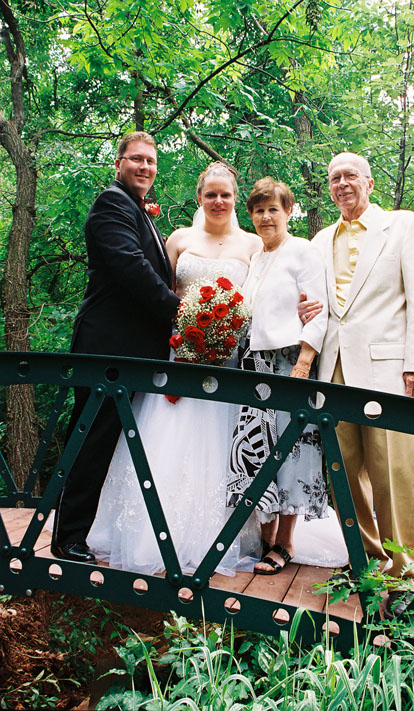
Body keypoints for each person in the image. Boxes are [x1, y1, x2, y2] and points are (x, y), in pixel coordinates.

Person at [87, 162, 263, 576]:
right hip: (176, 357)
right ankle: (148, 534)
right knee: (163, 441)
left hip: (226, 364)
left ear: (235, 198)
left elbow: (266, 297)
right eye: (210, 194)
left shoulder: (254, 245)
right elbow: (156, 291)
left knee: (219, 447)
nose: (218, 201)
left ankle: (213, 537)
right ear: (199, 197)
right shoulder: (179, 239)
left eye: (225, 195)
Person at [304, 152, 414, 617]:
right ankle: (367, 560)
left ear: (370, 183)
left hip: (388, 369)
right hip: (333, 369)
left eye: (350, 176)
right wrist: (305, 311)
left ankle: (404, 571)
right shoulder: (320, 239)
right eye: (333, 178)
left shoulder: (404, 226)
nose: (341, 184)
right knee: (343, 470)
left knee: (393, 469)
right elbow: (315, 301)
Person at [51, 131, 181, 564]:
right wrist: (180, 312)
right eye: (136, 159)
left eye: (151, 161)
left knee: (105, 442)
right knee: (91, 441)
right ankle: (68, 539)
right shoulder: (112, 203)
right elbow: (131, 267)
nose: (145, 167)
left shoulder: (138, 209)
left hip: (130, 351)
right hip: (107, 347)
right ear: (119, 163)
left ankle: (76, 531)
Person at [227, 177, 329, 575]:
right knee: (258, 451)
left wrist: (304, 362)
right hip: (255, 366)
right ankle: (265, 537)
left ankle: (285, 542)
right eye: (259, 210)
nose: (266, 217)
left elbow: (318, 309)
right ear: (250, 215)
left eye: (274, 209)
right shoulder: (257, 258)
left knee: (292, 450)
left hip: (290, 364)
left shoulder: (302, 250)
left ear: (288, 212)